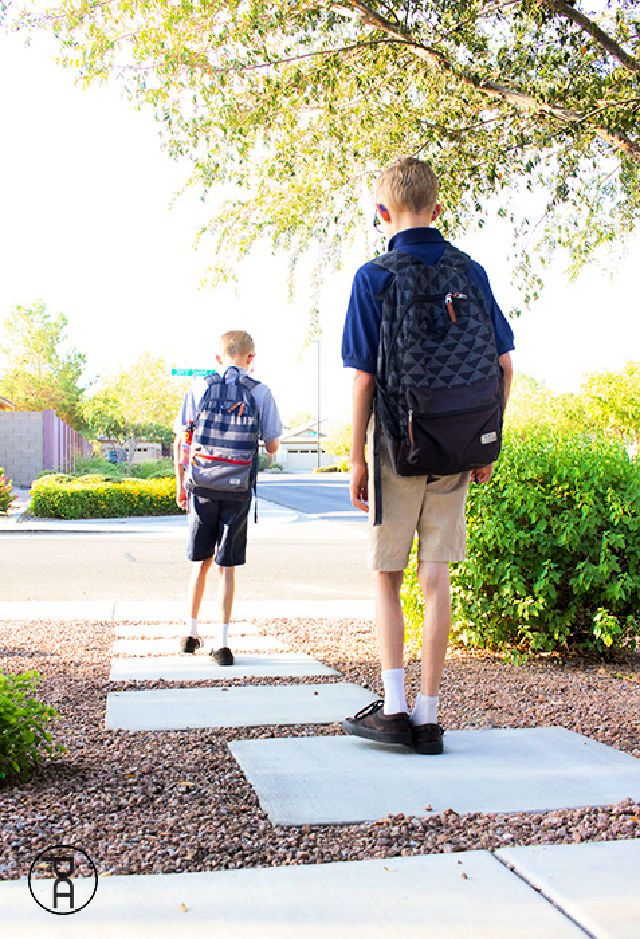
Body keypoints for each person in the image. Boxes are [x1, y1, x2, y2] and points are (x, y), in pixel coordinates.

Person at [341, 157, 514, 754]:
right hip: (459, 441)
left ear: (383, 214)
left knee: (388, 574)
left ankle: (391, 708)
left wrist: (357, 457)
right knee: (435, 575)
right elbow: (504, 364)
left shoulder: (374, 276)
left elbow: (364, 377)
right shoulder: (472, 270)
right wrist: (488, 438)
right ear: (438, 211)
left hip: (395, 442)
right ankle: (430, 717)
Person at [173, 330, 282, 663]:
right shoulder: (260, 392)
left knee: (200, 564)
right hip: (237, 490)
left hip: (202, 487)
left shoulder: (199, 387)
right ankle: (222, 645)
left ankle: (191, 634)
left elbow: (181, 441)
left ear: (218, 357)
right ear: (251, 358)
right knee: (227, 567)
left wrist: (180, 485)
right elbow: (272, 444)